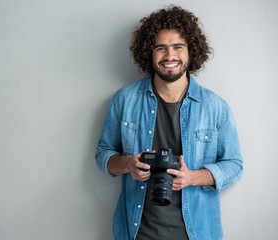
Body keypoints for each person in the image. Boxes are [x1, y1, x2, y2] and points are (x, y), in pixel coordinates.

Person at [95, 5, 243, 240]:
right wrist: (128, 164)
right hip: (137, 232)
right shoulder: (125, 100)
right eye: (160, 48)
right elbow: (104, 156)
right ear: (149, 53)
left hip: (198, 233)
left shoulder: (215, 106)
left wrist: (193, 177)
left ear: (191, 51)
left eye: (177, 47)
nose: (169, 55)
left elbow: (234, 165)